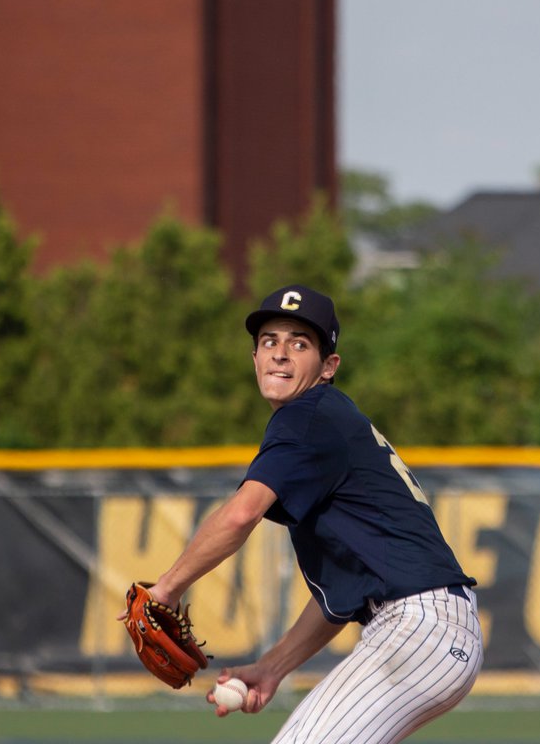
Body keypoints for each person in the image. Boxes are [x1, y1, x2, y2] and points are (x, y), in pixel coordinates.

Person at [145, 284, 483, 743]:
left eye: (299, 343)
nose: (280, 354)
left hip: (418, 627)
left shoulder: (306, 418)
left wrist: (165, 590)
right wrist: (272, 667)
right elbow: (340, 598)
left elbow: (242, 514)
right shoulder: (324, 423)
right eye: (269, 341)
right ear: (255, 359)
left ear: (328, 367)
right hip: (426, 630)